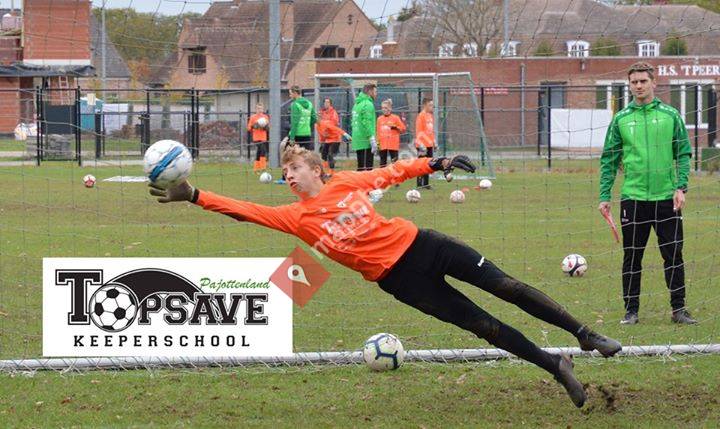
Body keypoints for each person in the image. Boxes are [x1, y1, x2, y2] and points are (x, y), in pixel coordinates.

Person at [150, 146, 622, 408]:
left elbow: (394, 172)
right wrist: (194, 195)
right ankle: (555, 366)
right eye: (285, 172)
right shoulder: (294, 217)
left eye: (294, 168)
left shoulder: (346, 183)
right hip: (401, 281)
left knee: (507, 287)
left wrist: (435, 163)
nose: (288, 176)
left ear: (316, 168)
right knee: (485, 327)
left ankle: (584, 333)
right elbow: (244, 209)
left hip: (426, 245)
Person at [599, 62, 696, 325]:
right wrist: (604, 195)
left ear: (654, 83)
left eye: (643, 81)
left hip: (667, 198)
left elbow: (683, 153)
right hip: (633, 199)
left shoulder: (670, 115)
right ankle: (631, 312)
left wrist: (681, 187)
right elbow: (609, 159)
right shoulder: (620, 119)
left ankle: (679, 310)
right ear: (629, 85)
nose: (639, 86)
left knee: (673, 254)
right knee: (632, 256)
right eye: (634, 82)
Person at [317, 98, 348, 174]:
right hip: (327, 139)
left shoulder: (333, 113)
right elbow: (320, 129)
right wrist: (322, 138)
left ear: (330, 104)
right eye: (325, 102)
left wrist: (326, 125)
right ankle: (326, 170)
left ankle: (332, 172)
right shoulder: (322, 114)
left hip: (335, 138)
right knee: (323, 154)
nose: (326, 104)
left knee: (330, 154)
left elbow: (334, 125)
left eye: (327, 102)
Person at [351, 83, 378, 171]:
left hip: (358, 140)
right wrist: (371, 138)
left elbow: (353, 121)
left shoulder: (356, 104)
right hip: (366, 140)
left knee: (361, 167)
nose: (376, 94)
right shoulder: (368, 104)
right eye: (375, 92)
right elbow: (367, 122)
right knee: (368, 169)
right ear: (370, 92)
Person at [376, 99, 406, 167]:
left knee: (394, 163)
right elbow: (378, 131)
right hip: (383, 144)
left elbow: (403, 128)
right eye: (382, 108)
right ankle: (383, 173)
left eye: (385, 108)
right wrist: (377, 142)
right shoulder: (379, 119)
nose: (384, 109)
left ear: (390, 108)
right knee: (382, 163)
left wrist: (396, 127)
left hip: (393, 144)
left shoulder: (395, 118)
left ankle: (394, 173)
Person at [288, 85, 317, 151]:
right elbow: (315, 118)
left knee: (288, 153)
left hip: (297, 135)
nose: (290, 96)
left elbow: (295, 122)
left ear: (295, 93)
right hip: (307, 133)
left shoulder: (295, 104)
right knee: (305, 155)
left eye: (290, 94)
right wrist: (307, 125)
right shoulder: (310, 103)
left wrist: (292, 138)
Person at [415, 98, 436, 189]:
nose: (432, 107)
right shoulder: (421, 116)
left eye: (432, 105)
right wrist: (421, 144)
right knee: (421, 165)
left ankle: (426, 184)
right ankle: (419, 184)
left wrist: (434, 141)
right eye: (430, 105)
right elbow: (419, 131)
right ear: (425, 106)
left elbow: (431, 131)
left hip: (429, 144)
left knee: (428, 165)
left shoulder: (430, 116)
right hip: (422, 145)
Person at [247, 103, 270, 173]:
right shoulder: (253, 117)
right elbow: (248, 128)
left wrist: (265, 127)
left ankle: (256, 169)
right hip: (256, 138)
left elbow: (268, 127)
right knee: (263, 150)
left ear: (263, 109)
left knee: (259, 152)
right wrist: (254, 126)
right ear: (256, 109)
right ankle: (263, 168)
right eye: (258, 108)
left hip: (263, 138)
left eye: (261, 108)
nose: (260, 110)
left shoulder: (265, 117)